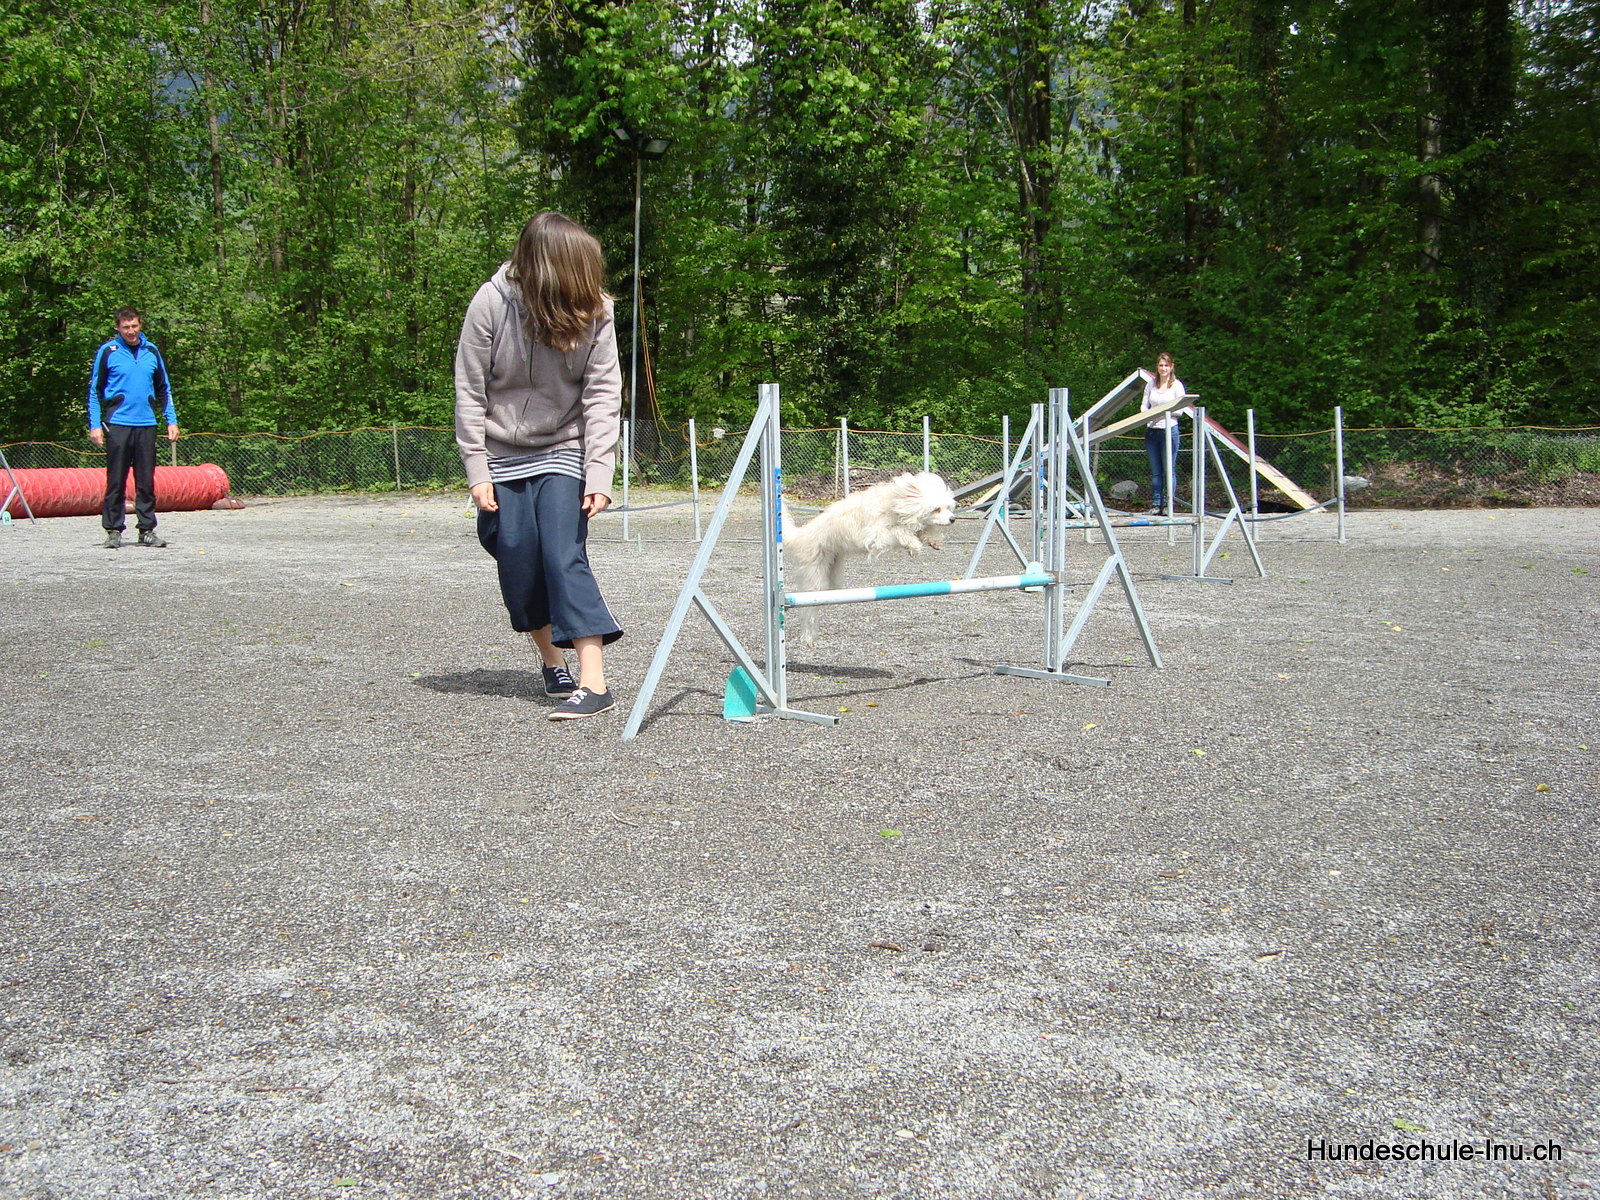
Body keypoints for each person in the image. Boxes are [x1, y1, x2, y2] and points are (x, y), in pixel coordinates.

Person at [455, 212, 625, 721]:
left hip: (565, 446)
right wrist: (477, 469)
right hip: (501, 453)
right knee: (517, 559)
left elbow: (603, 395)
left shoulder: (596, 310)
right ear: (549, 267)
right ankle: (553, 661)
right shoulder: (491, 302)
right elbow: (470, 390)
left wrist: (599, 474)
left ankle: (594, 683)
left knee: (561, 552)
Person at [87, 308, 178, 548]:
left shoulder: (152, 351)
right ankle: (113, 530)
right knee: (116, 480)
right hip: (118, 423)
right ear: (118, 328)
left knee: (146, 482)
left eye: (134, 326)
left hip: (146, 424)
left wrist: (171, 420)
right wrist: (95, 424)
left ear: (140, 325)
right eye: (126, 327)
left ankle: (146, 530)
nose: (131, 331)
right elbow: (95, 391)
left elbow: (164, 389)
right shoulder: (108, 351)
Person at [1141, 351, 1186, 514]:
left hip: (1169, 429)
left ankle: (1168, 504)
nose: (1163, 368)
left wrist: (1164, 412)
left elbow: (1181, 410)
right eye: (1161, 365)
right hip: (1152, 430)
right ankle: (1156, 504)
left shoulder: (1177, 385)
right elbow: (1144, 405)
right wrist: (1148, 414)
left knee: (1169, 469)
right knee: (1156, 472)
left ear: (1171, 366)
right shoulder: (1151, 384)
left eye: (1166, 365)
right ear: (1157, 367)